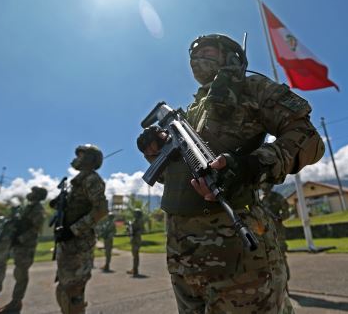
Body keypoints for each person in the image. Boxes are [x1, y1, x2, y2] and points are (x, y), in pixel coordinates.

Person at [137, 33, 324, 313]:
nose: (197, 60)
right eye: (193, 56)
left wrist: (251, 165)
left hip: (236, 253)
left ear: (231, 57)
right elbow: (182, 177)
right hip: (183, 255)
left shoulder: (252, 87)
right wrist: (155, 152)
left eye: (207, 52)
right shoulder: (192, 110)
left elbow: (308, 139)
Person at [50, 144, 108, 314]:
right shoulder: (77, 182)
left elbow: (101, 210)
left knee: (73, 292)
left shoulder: (92, 179)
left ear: (90, 159)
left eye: (81, 155)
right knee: (64, 289)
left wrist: (73, 230)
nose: (76, 158)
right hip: (68, 245)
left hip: (78, 245)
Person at [0, 186, 47, 313]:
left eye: (33, 192)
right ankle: (15, 301)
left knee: (21, 274)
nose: (30, 194)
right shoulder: (29, 207)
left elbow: (36, 229)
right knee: (18, 272)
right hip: (20, 244)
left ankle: (16, 302)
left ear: (38, 196)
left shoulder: (38, 210)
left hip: (26, 246)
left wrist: (21, 238)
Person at [260, 184, 291, 280]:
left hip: (278, 231)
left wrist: (280, 218)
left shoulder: (277, 197)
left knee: (281, 254)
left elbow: (286, 211)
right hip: (265, 231)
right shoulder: (260, 200)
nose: (264, 187)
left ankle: (286, 279)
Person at [126, 208, 144, 277]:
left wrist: (133, 231)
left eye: (135, 213)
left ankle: (135, 270)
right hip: (134, 240)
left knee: (135, 255)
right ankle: (134, 268)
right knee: (135, 255)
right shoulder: (136, 221)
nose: (134, 214)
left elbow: (140, 230)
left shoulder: (139, 221)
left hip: (136, 240)